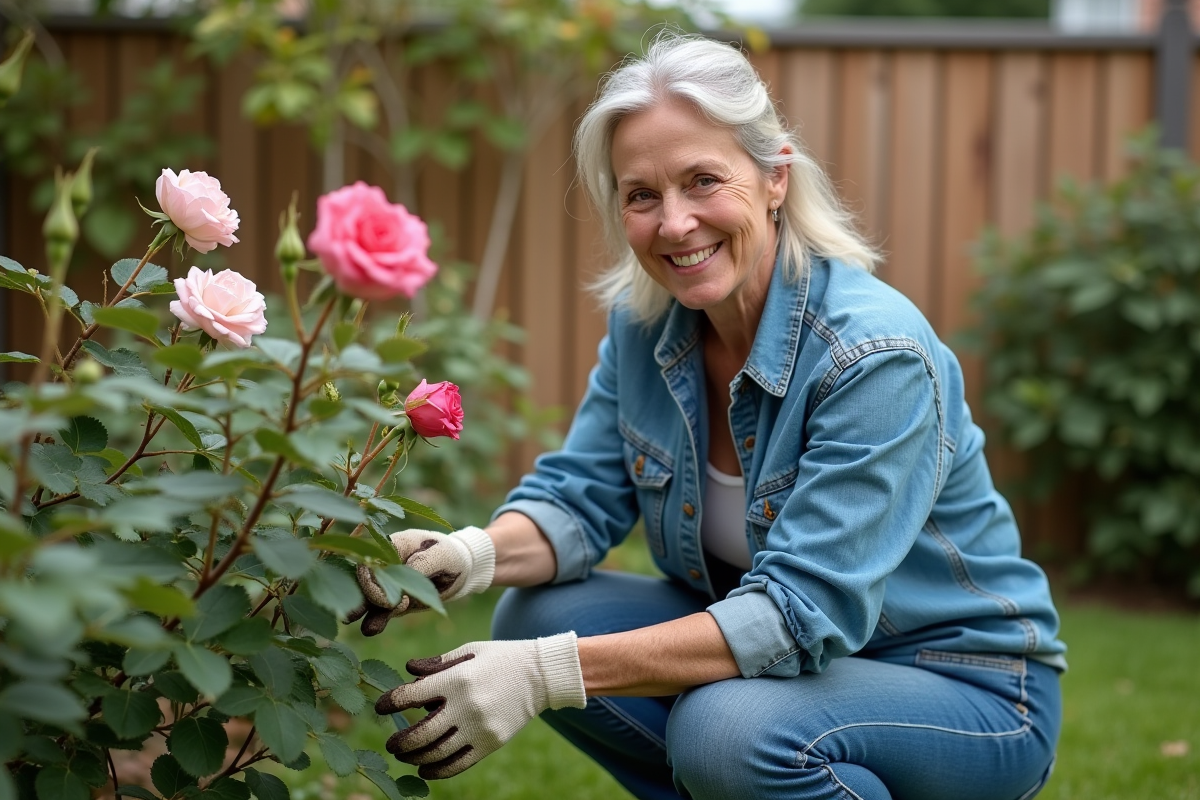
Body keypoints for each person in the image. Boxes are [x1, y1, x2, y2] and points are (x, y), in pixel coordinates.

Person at [349, 31, 1067, 800]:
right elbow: (581, 498)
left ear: (774, 179)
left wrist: (545, 676)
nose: (676, 224)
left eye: (703, 181)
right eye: (642, 195)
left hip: (963, 686)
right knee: (535, 614)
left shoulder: (874, 356)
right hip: (798, 669)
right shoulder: (648, 325)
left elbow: (801, 614)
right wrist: (470, 554)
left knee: (726, 731)